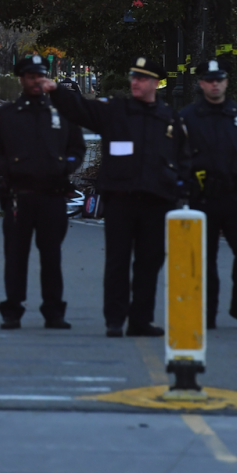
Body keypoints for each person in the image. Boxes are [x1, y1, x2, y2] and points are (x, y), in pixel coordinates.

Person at [40, 57, 189, 337]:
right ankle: (115, 319)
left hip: (157, 202)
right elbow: (80, 110)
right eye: (133, 77)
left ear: (156, 83)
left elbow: (183, 158)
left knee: (149, 262)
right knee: (118, 261)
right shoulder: (115, 111)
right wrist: (56, 90)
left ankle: (141, 320)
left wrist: (178, 190)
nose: (135, 82)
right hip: (121, 201)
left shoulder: (169, 118)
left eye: (142, 79)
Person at [0, 55, 86, 330]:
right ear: (22, 79)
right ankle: (12, 311)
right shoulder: (6, 115)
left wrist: (68, 166)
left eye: (40, 76)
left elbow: (77, 148)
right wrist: (8, 170)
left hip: (53, 196)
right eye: (30, 77)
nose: (36, 81)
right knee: (16, 257)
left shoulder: (60, 114)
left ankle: (54, 312)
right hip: (19, 196)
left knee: (52, 256)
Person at [180, 60, 237, 330]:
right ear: (201, 83)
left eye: (219, 80)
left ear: (226, 82)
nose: (215, 84)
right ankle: (207, 312)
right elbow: (171, 153)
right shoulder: (188, 117)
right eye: (209, 80)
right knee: (204, 259)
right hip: (203, 198)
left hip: (235, 197)